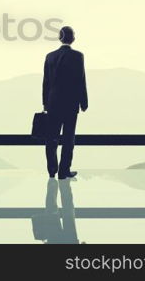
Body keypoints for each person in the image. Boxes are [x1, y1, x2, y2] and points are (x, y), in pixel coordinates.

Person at [42, 25, 88, 179]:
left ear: (59, 38)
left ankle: (51, 170)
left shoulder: (50, 56)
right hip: (70, 103)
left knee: (51, 138)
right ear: (73, 38)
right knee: (68, 139)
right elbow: (81, 81)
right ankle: (64, 171)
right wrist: (84, 102)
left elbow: (46, 82)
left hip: (53, 102)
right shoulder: (78, 56)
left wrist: (45, 103)